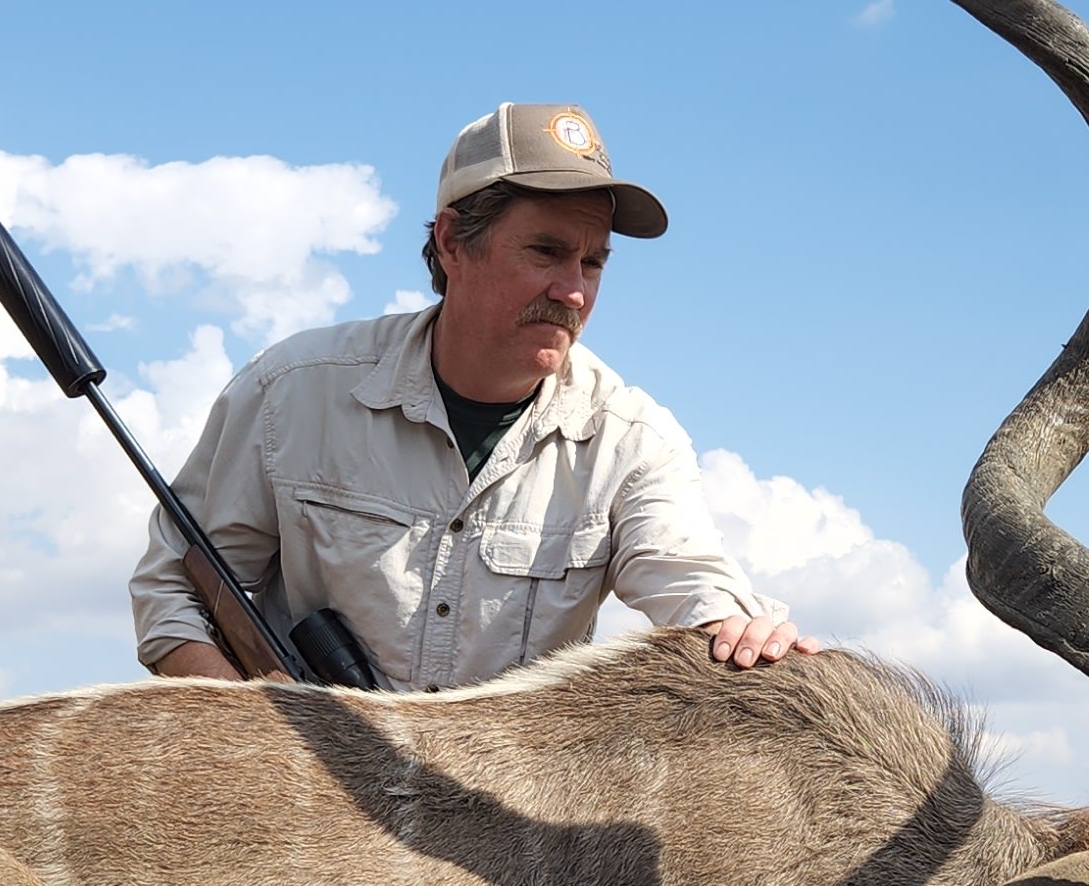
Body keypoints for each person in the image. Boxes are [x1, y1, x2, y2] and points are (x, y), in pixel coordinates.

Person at [132, 102, 820, 689]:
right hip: (300, 814)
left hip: (500, 837)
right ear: (453, 242)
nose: (574, 291)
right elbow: (172, 588)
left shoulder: (633, 438)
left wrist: (739, 629)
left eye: (594, 262)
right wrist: (255, 724)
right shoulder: (291, 391)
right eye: (546, 252)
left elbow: (692, 581)